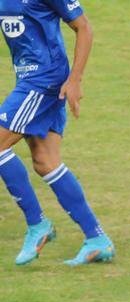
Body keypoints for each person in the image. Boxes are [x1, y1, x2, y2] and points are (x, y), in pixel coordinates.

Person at [0, 0, 113, 266]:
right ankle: (97, 239)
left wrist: (75, 79)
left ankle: (38, 224)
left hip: (44, 80)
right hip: (29, 80)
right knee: (45, 162)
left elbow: (83, 27)